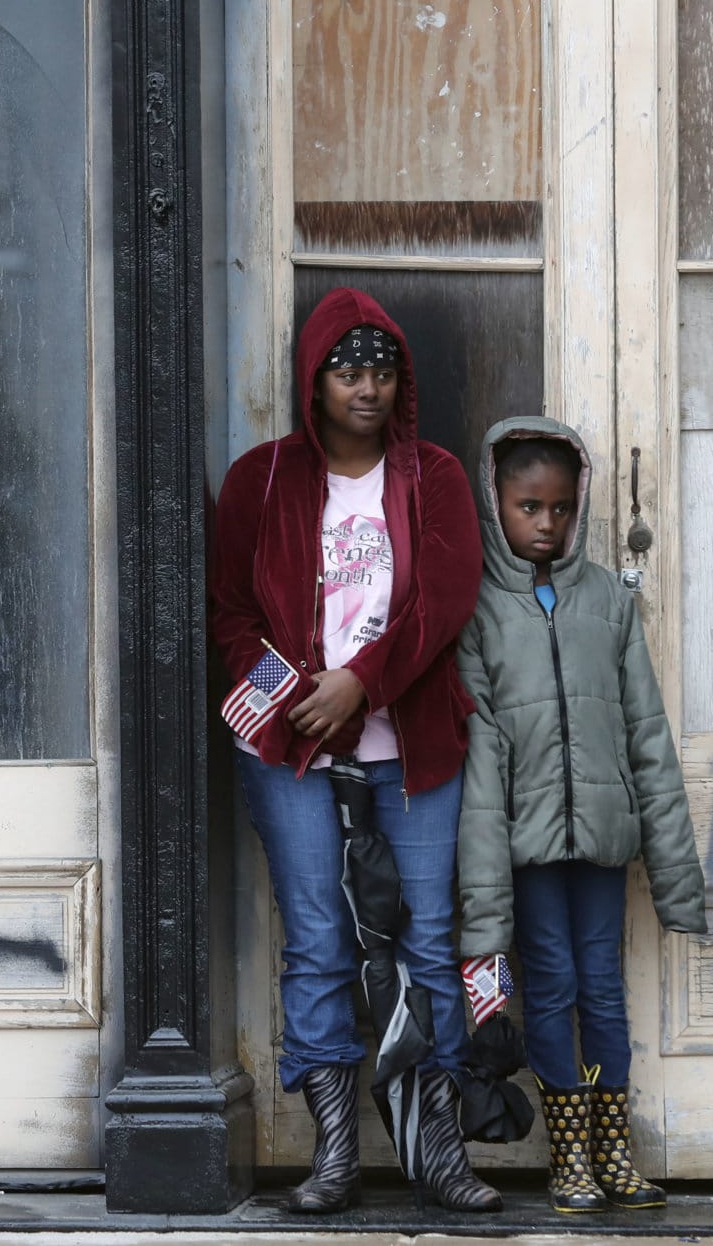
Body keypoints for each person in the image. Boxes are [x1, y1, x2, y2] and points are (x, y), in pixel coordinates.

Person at [211, 286, 496, 1214]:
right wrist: (300, 693)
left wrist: (362, 682)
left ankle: (437, 1153)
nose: (367, 388)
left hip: (413, 748)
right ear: (315, 381)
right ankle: (333, 1153)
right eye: (346, 371)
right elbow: (230, 613)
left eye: (382, 370)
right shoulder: (259, 481)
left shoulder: (432, 477)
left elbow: (444, 601)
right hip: (291, 748)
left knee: (427, 937)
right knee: (319, 940)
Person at [454, 416, 706, 1214]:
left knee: (600, 986)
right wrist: (484, 911)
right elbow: (481, 771)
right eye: (528, 506)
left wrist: (677, 878)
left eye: (561, 508)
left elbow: (647, 735)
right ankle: (568, 1158)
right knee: (552, 984)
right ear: (495, 500)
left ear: (581, 505)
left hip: (602, 840)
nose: (546, 523)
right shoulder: (477, 609)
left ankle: (612, 1149)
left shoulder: (607, 601)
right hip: (526, 850)